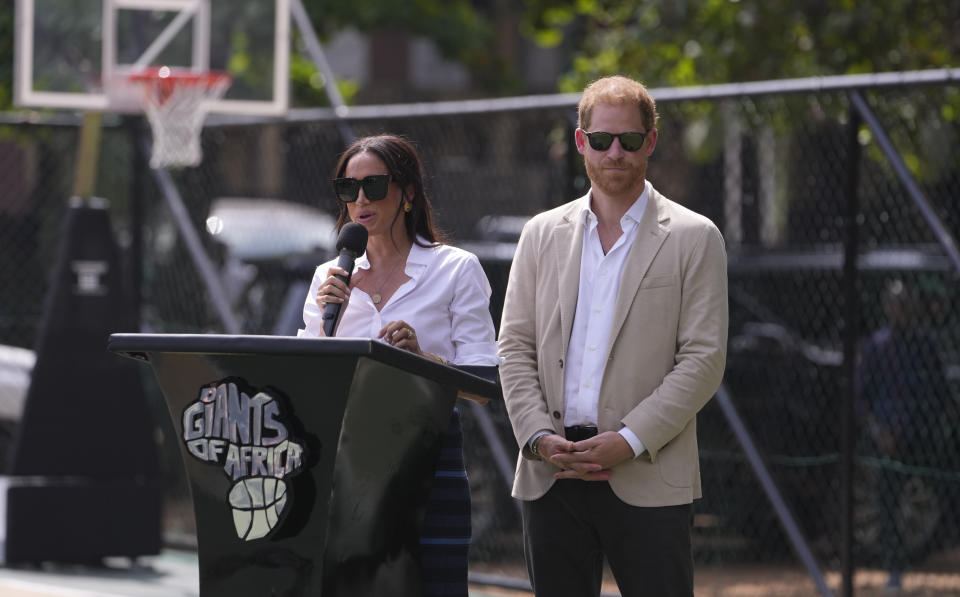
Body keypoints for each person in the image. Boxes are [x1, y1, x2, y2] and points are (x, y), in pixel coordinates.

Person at [497, 75, 728, 597]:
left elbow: (703, 359)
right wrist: (537, 438)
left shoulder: (696, 236)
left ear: (650, 140)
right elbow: (513, 346)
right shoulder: (540, 233)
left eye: (628, 139)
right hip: (551, 473)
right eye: (601, 140)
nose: (615, 152)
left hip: (647, 473)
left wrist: (626, 441)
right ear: (582, 143)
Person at [298, 134, 498, 596]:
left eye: (374, 186)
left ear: (408, 192)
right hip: (345, 462)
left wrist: (420, 359)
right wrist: (330, 325)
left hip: (427, 457)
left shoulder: (456, 269)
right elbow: (308, 377)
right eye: (348, 190)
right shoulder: (329, 278)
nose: (360, 200)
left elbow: (483, 385)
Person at [854, 279, 948, 595]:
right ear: (887, 308)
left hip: (923, 436)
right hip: (888, 439)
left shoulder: (926, 346)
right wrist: (879, 432)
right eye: (896, 304)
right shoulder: (876, 347)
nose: (901, 310)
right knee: (887, 504)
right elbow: (862, 398)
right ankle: (894, 569)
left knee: (941, 493)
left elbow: (940, 391)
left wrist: (935, 428)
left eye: (907, 304)